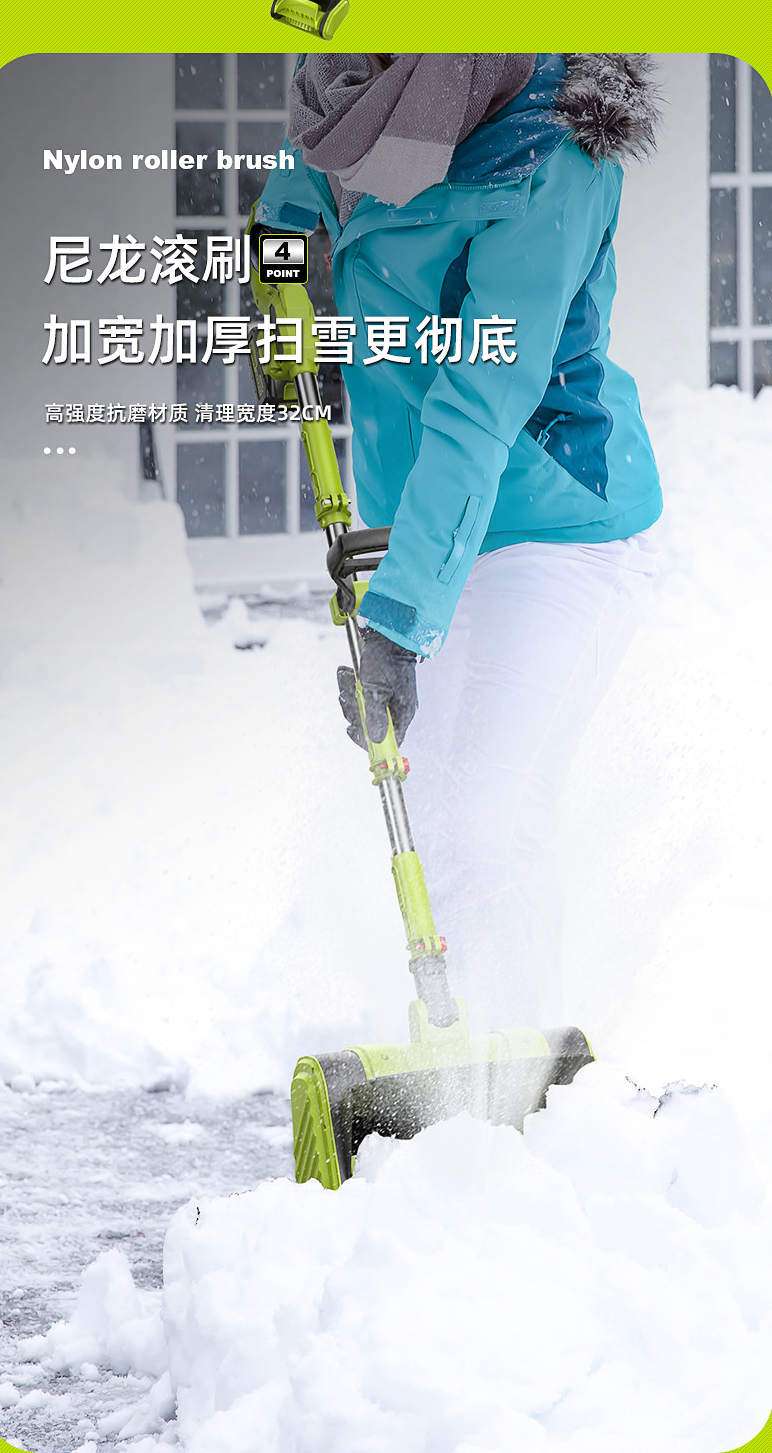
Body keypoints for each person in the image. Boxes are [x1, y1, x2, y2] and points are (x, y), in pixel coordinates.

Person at [257, 53, 663, 1029]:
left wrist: (398, 623)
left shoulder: (550, 152)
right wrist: (282, 319)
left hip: (553, 524)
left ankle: (526, 1078)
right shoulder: (350, 92)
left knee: (487, 819)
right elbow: (285, 211)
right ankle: (456, 1054)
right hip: (421, 521)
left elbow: (478, 403)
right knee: (430, 818)